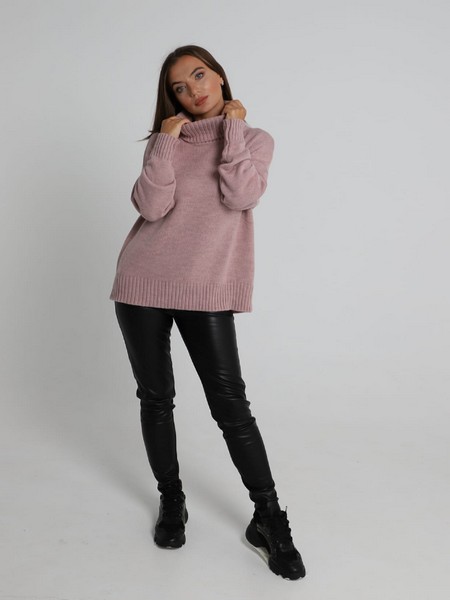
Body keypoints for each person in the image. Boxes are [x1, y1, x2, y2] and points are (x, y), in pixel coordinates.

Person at [110, 44, 306, 581]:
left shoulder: (254, 139)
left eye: (199, 75)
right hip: (143, 282)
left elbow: (241, 195)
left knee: (231, 406)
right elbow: (151, 207)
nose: (193, 89)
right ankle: (171, 499)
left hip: (208, 288)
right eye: (179, 86)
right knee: (156, 398)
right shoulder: (166, 140)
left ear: (219, 76)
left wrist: (233, 130)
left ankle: (269, 519)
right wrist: (164, 143)